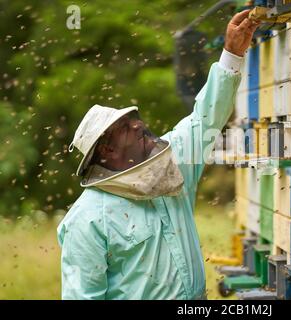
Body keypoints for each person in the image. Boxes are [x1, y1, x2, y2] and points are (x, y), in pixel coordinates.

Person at [57, 10, 261, 299]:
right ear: (107, 149)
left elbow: (206, 117)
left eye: (134, 119)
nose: (139, 124)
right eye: (126, 127)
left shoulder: (172, 161)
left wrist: (231, 53)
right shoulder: (87, 219)